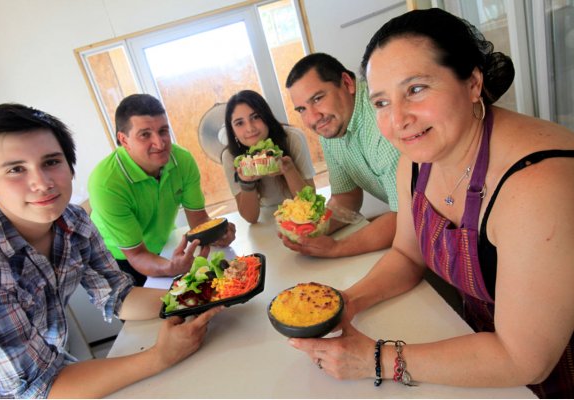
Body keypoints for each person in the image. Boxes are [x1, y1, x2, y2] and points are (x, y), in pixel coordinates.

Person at [287, 8, 574, 398]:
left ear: (473, 82)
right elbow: (407, 256)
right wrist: (345, 303)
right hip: (478, 352)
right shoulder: (416, 163)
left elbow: (525, 358)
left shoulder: (537, 183)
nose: (398, 119)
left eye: (416, 89)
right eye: (382, 102)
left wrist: (376, 359)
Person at [0, 103, 222, 398]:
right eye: (16, 169)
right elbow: (36, 386)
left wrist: (208, 296)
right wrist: (160, 356)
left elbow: (118, 295)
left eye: (51, 162)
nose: (42, 183)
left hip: (48, 363)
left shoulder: (73, 222)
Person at [88, 94, 236, 286]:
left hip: (164, 243)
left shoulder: (182, 160)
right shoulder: (105, 183)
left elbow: (199, 221)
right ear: (124, 140)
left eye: (163, 130)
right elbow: (137, 254)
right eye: (145, 134)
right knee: (153, 313)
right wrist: (170, 268)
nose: (160, 143)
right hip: (117, 257)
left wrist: (218, 234)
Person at [283, 53, 400, 258]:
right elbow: (347, 197)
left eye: (318, 99)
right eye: (302, 109)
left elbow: (409, 216)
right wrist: (311, 231)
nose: (312, 118)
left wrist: (337, 248)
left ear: (347, 83)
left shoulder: (382, 121)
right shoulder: (330, 125)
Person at [221, 90, 316, 223]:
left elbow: (310, 203)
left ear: (266, 117)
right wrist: (247, 182)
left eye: (255, 117)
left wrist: (288, 169)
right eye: (239, 123)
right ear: (232, 131)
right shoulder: (230, 157)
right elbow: (251, 218)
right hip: (267, 220)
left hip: (300, 217)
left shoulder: (292, 138)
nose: (250, 128)